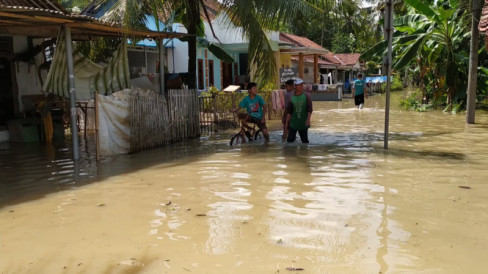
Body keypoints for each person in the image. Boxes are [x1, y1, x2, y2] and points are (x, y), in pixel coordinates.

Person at [284, 78, 313, 143]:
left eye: (301, 85)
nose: (301, 87)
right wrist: (286, 123)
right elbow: (289, 112)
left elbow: (310, 110)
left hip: (303, 123)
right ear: (295, 86)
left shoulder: (306, 96)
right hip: (293, 123)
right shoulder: (291, 97)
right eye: (299, 85)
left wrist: (308, 120)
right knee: (290, 141)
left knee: (305, 141)